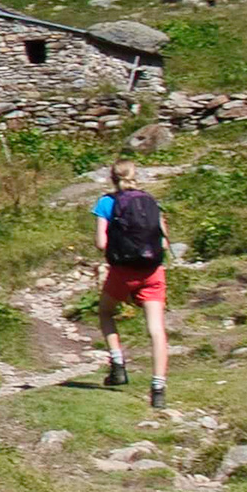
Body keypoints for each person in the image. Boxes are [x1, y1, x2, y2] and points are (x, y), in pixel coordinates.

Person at [91, 158, 170, 409]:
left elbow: (101, 243)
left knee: (105, 312)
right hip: (152, 271)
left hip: (122, 272)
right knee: (156, 329)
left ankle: (117, 364)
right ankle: (158, 389)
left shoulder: (106, 202)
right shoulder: (150, 201)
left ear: (112, 178)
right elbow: (164, 241)